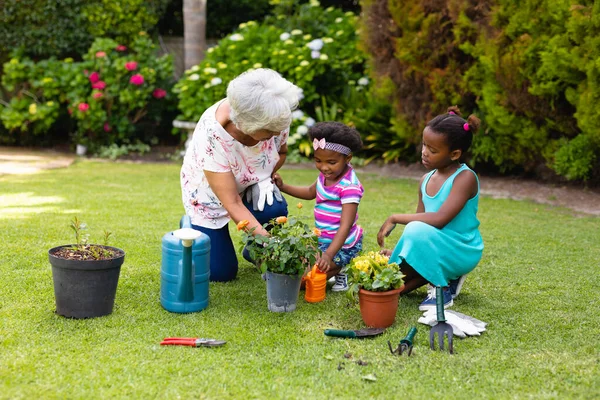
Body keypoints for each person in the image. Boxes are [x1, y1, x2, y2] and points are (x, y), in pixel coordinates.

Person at [180, 68, 301, 282]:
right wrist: (272, 244)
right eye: (270, 132)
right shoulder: (213, 133)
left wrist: (265, 179)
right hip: (210, 194)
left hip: (249, 181)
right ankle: (190, 226)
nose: (278, 134)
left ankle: (253, 249)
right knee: (221, 273)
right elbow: (233, 202)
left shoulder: (276, 114)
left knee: (274, 207)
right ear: (246, 125)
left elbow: (280, 153)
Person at [377, 106, 484, 310]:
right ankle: (444, 277)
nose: (424, 153)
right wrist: (401, 253)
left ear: (454, 154)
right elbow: (421, 226)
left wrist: (395, 217)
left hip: (460, 248)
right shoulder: (426, 179)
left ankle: (442, 286)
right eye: (424, 145)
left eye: (433, 150)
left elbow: (440, 219)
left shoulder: (465, 178)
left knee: (414, 229)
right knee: (390, 288)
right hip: (435, 247)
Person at [273, 122, 364, 291]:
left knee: (301, 283)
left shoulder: (349, 186)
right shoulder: (324, 176)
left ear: (348, 158)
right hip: (322, 241)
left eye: (331, 162)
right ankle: (333, 267)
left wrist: (329, 255)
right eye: (318, 160)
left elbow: (345, 226)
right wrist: (283, 187)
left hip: (343, 246)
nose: (324, 167)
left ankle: (345, 265)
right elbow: (309, 192)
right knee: (291, 267)